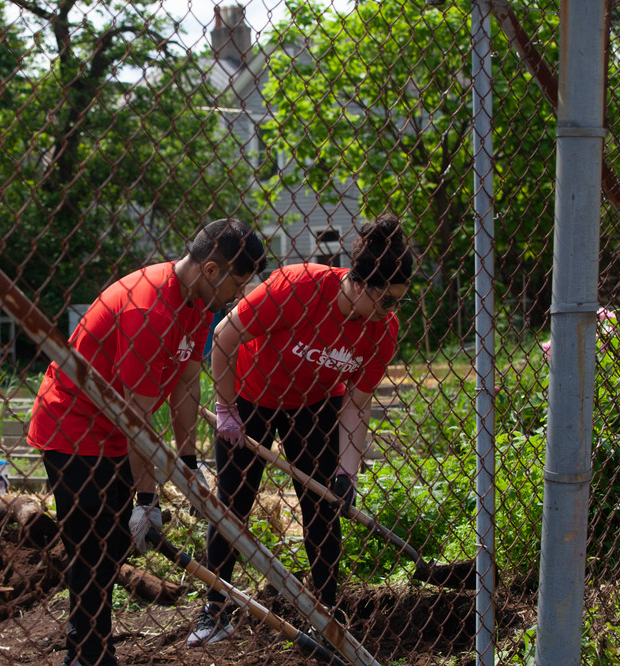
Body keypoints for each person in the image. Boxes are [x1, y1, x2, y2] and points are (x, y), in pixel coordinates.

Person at [27, 219, 267, 666]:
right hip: (73, 427)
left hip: (115, 432)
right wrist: (147, 496)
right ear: (211, 270)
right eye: (238, 282)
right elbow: (136, 419)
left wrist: (190, 462)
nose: (239, 294)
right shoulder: (149, 309)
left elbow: (186, 382)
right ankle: (85, 652)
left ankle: (93, 646)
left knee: (111, 541)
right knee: (93, 542)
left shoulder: (197, 304)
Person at [187, 213, 413, 647]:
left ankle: (327, 613)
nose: (391, 311)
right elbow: (223, 338)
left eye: (398, 302)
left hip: (314, 405)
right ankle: (215, 609)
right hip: (249, 396)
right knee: (233, 502)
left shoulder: (382, 331)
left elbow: (357, 401)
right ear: (361, 283)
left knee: (323, 509)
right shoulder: (298, 287)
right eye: (387, 300)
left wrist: (347, 474)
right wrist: (227, 408)